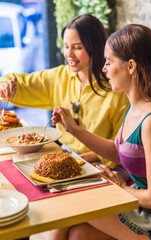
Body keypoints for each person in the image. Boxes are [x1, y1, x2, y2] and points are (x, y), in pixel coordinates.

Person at [50, 24, 151, 240]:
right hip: (139, 208)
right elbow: (118, 152)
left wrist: (118, 187)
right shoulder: (134, 108)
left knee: (70, 203)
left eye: (108, 63)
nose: (103, 69)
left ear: (130, 66)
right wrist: (72, 129)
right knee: (78, 235)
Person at [0, 14, 129, 180]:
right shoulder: (60, 76)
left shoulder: (117, 90)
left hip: (104, 166)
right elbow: (18, 82)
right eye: (66, 46)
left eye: (77, 47)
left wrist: (75, 160)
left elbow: (119, 151)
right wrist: (5, 85)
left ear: (95, 47)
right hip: (65, 156)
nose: (69, 54)